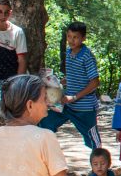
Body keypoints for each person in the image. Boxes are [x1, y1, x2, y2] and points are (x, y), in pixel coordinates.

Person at [39, 21, 102, 150]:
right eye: (69, 36)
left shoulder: (87, 56)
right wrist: (63, 81)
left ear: (83, 38)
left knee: (93, 140)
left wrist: (74, 97)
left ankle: (100, 162)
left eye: (75, 37)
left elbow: (95, 82)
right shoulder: (68, 53)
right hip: (67, 105)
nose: (71, 40)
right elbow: (77, 74)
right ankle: (46, 154)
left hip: (85, 107)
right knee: (45, 123)